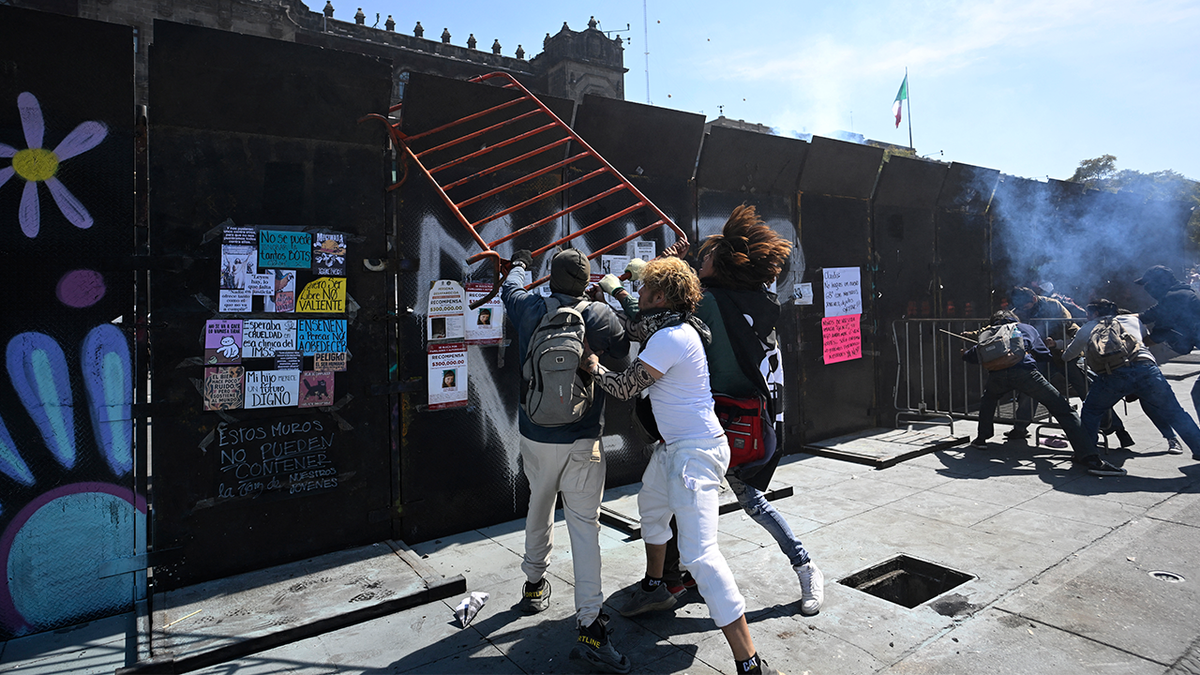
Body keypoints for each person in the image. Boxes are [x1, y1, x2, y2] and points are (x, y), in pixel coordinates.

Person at [601, 207, 824, 618]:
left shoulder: (710, 304)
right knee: (683, 499)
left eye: (702, 259)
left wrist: (618, 290)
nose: (697, 261)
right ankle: (676, 579)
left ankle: (804, 565)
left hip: (719, 423)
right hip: (734, 414)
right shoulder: (745, 299)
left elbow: (647, 319)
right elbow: (676, 294)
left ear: (717, 267)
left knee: (747, 501)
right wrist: (666, 262)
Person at [583, 257, 783, 675]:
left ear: (660, 296)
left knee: (700, 556)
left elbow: (623, 387)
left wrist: (593, 366)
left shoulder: (671, 337)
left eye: (644, 290)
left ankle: (749, 662)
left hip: (695, 454)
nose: (639, 295)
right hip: (675, 449)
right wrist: (612, 291)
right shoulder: (672, 326)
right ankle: (656, 586)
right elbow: (634, 323)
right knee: (651, 508)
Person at [501, 247, 631, 674]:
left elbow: (510, 287)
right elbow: (623, 347)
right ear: (586, 280)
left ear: (551, 277)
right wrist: (604, 301)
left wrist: (518, 262)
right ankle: (591, 625)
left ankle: (535, 585)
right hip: (584, 440)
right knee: (585, 528)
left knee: (538, 508)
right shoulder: (598, 315)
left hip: (536, 435)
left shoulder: (528, 306)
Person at [1062, 299, 1200, 474]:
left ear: (1095, 314)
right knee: (1175, 412)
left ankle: (1088, 455)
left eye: (1088, 313)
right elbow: (1142, 340)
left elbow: (1068, 356)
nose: (1086, 316)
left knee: (1092, 411)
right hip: (1146, 369)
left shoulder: (1088, 328)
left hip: (1113, 375)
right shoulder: (1133, 320)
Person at [962, 310, 1097, 465]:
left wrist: (964, 354)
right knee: (1062, 409)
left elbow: (974, 354)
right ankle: (1088, 456)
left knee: (988, 401)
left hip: (996, 375)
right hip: (1025, 373)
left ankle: (981, 439)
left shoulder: (990, 332)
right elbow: (1043, 353)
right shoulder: (1026, 328)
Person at [1136, 265, 1200, 420]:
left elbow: (1155, 327)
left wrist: (1134, 345)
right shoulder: (1182, 293)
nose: (1147, 289)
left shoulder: (1175, 297)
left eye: (1148, 284)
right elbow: (1151, 317)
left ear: (1160, 282)